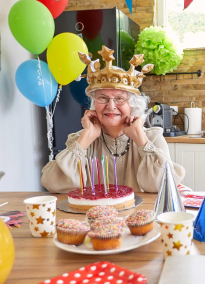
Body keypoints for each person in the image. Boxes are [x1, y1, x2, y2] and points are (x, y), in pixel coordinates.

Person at [41, 45, 185, 193]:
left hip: (139, 215)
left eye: (120, 98)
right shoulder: (81, 140)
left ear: (132, 105)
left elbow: (163, 185)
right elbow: (52, 183)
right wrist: (86, 138)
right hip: (94, 215)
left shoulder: (152, 138)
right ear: (94, 104)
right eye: (103, 98)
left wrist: (141, 139)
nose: (111, 106)